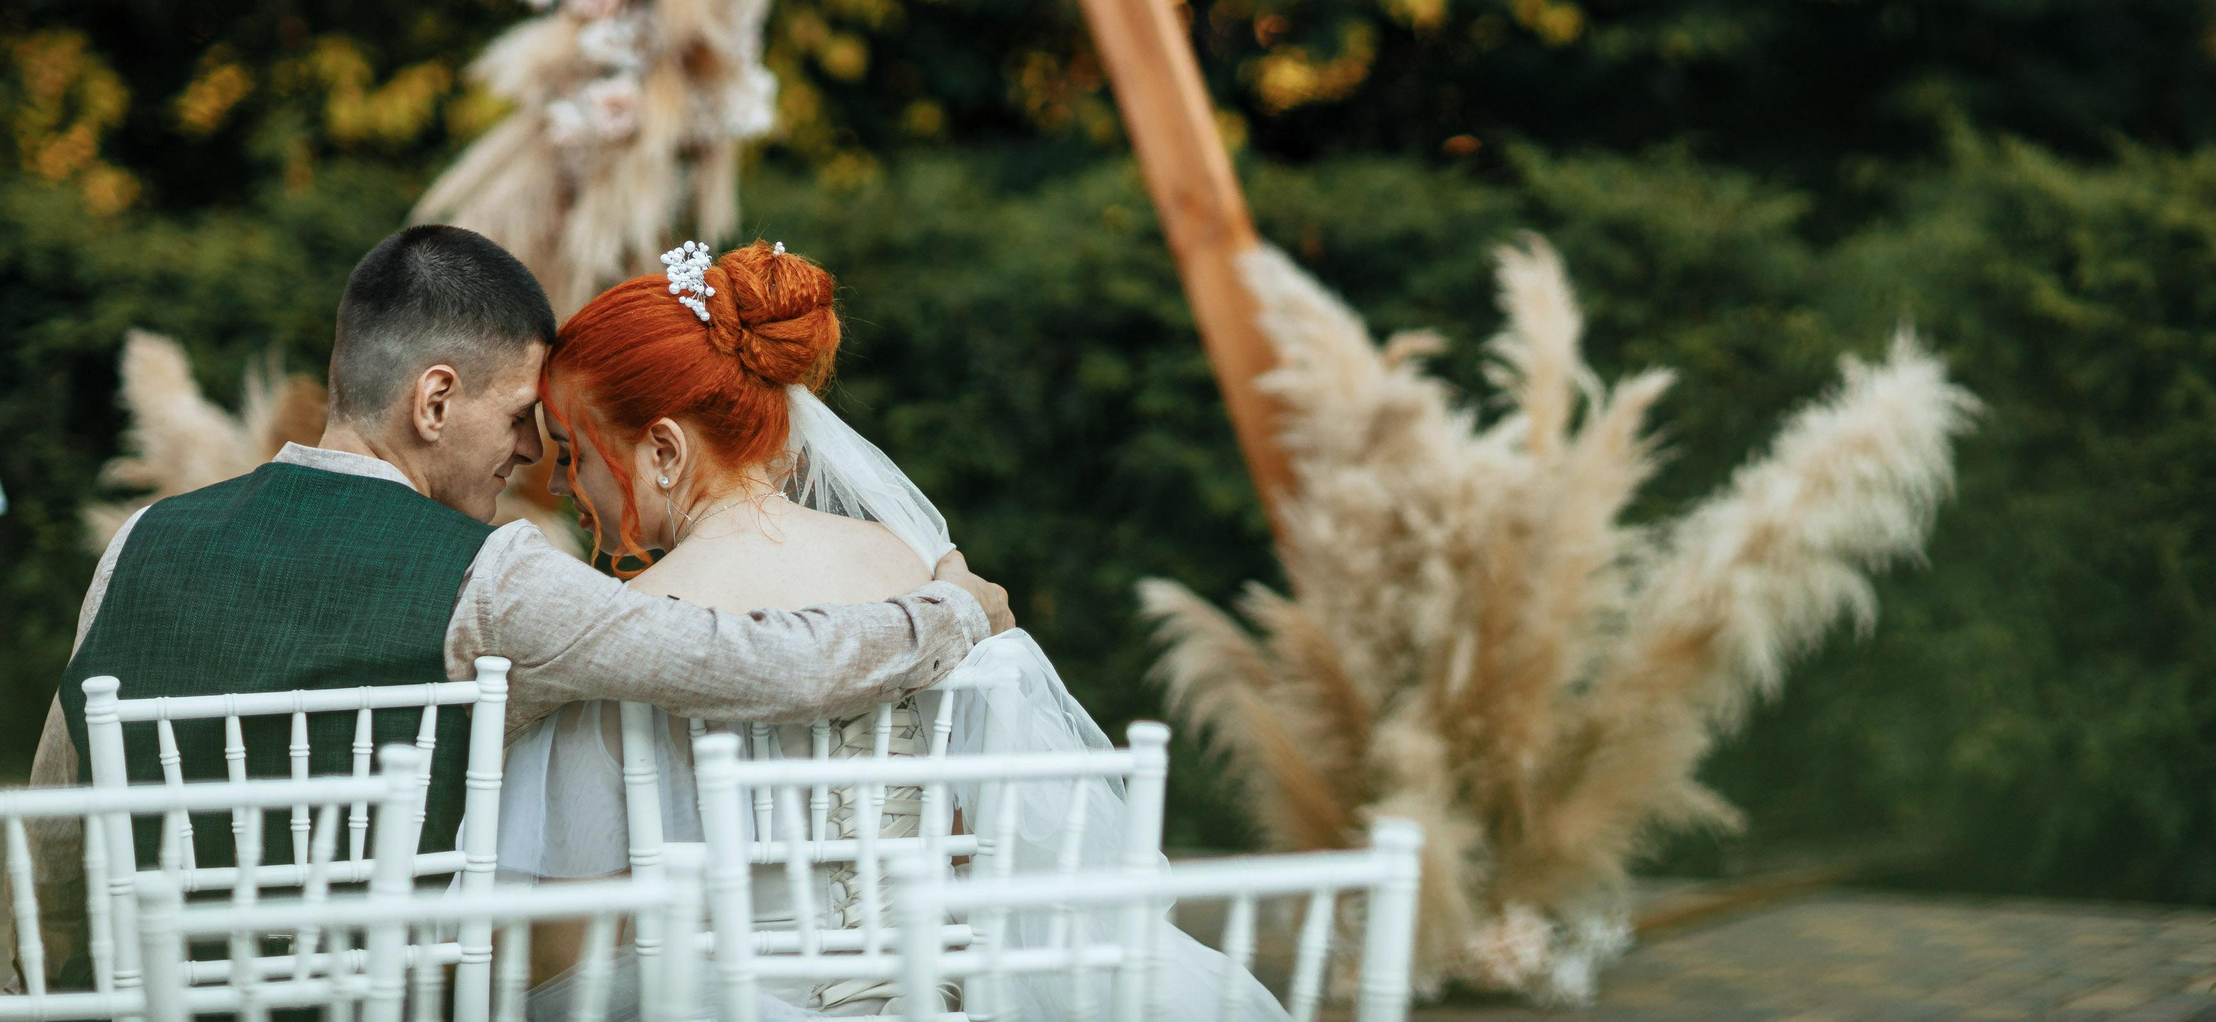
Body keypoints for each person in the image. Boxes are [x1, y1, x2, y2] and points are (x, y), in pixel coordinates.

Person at [30, 225, 1013, 887]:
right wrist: (953, 610)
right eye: (516, 418)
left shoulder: (141, 544)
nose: (531, 455)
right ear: (432, 401)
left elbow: (61, 819)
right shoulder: (490, 580)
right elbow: (751, 661)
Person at [503, 239, 1287, 1021]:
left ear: (666, 449)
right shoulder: (915, 569)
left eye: (575, 454)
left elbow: (564, 954)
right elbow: (965, 836)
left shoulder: (627, 630)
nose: (567, 483)